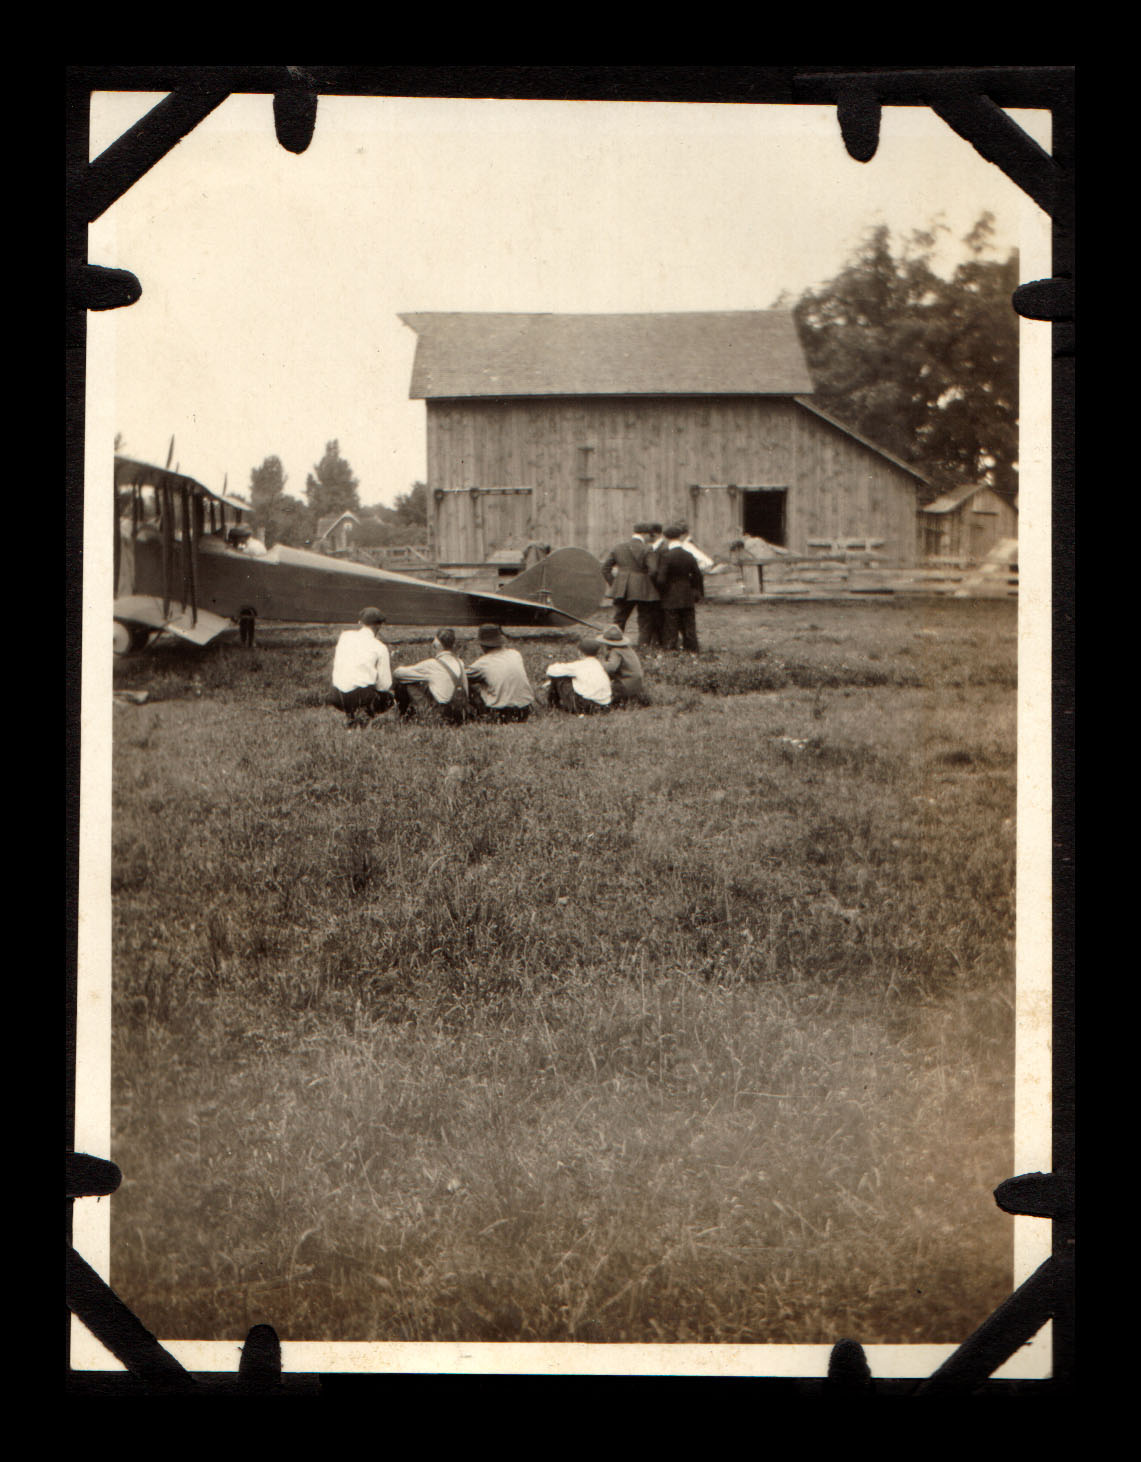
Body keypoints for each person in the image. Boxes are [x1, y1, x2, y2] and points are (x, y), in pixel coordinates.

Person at [330, 607, 395, 728]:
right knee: (388, 698)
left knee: (354, 684)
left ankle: (352, 717)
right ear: (379, 626)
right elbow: (384, 685)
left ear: (360, 623)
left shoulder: (344, 637)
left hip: (336, 696)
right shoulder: (380, 647)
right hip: (361, 696)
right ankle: (364, 720)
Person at [392, 628, 470, 724]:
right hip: (461, 713)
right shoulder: (460, 662)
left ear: (436, 644)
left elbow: (397, 673)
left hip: (442, 714)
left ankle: (405, 717)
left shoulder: (432, 664)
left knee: (405, 683)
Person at [601, 523, 661, 647]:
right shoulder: (647, 549)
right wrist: (649, 584)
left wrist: (615, 584)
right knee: (645, 619)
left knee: (619, 618)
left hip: (623, 588)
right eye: (649, 535)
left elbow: (605, 568)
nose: (649, 537)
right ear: (644, 534)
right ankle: (643, 646)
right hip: (643, 589)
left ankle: (612, 644)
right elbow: (653, 570)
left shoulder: (618, 547)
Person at [465, 624, 536, 723]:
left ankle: (469, 715)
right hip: (525, 709)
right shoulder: (515, 654)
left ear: (482, 645)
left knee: (468, 685)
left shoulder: (482, 664)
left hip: (501, 713)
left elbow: (461, 677)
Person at [654, 524, 705, 652]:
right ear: (680, 537)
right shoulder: (689, 555)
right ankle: (692, 649)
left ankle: (671, 649)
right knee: (689, 624)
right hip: (687, 594)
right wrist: (695, 591)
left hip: (670, 595)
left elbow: (661, 579)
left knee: (671, 625)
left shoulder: (666, 556)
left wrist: (662, 592)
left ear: (666, 538)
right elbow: (698, 575)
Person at [545, 636, 612, 714]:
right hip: (604, 705)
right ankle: (554, 704)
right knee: (567, 675)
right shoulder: (598, 664)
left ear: (580, 652)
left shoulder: (579, 665)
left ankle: (553, 704)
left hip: (587, 706)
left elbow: (551, 670)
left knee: (558, 677)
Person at [597, 624, 647, 706]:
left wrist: (598, 663)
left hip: (625, 684)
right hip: (637, 684)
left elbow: (612, 667)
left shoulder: (615, 651)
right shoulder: (628, 649)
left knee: (602, 693)